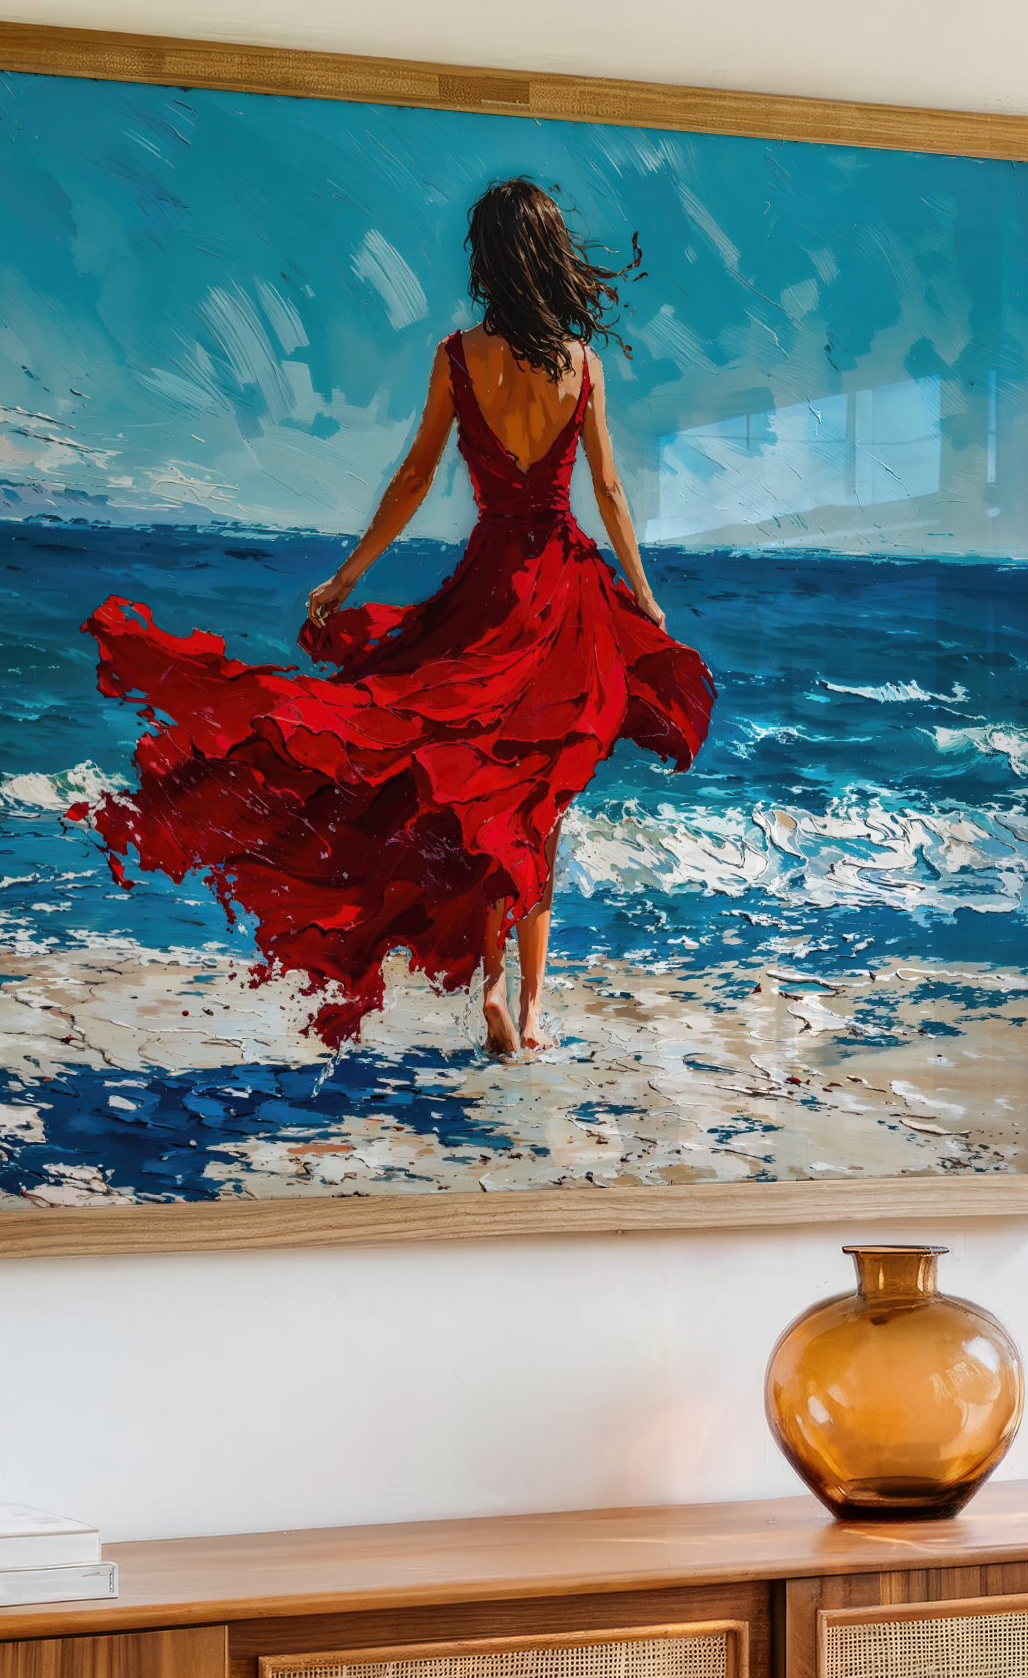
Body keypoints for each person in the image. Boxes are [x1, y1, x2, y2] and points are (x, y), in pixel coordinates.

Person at [78, 179, 713, 1055]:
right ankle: (530, 1013)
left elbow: (413, 481)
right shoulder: (581, 364)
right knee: (534, 802)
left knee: (479, 787)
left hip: (485, 589)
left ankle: (493, 986)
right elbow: (605, 490)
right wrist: (644, 598)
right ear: (552, 253)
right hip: (561, 596)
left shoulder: (459, 356)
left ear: (488, 257)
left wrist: (345, 578)